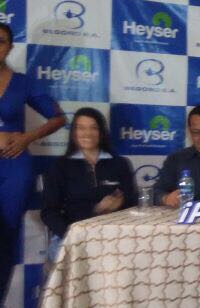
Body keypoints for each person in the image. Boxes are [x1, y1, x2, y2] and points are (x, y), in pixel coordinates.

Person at [0, 23, 64, 308]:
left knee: (6, 238)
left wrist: (27, 137)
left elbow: (58, 118)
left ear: (10, 47)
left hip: (14, 166)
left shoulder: (23, 82)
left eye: (1, 41)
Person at [41, 108, 136, 261]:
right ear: (74, 132)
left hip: (114, 235)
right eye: (81, 128)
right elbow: (49, 212)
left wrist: (120, 204)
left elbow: (133, 204)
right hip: (73, 234)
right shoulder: (60, 166)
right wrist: (95, 211)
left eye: (93, 128)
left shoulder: (120, 164)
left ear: (101, 132)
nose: (87, 133)